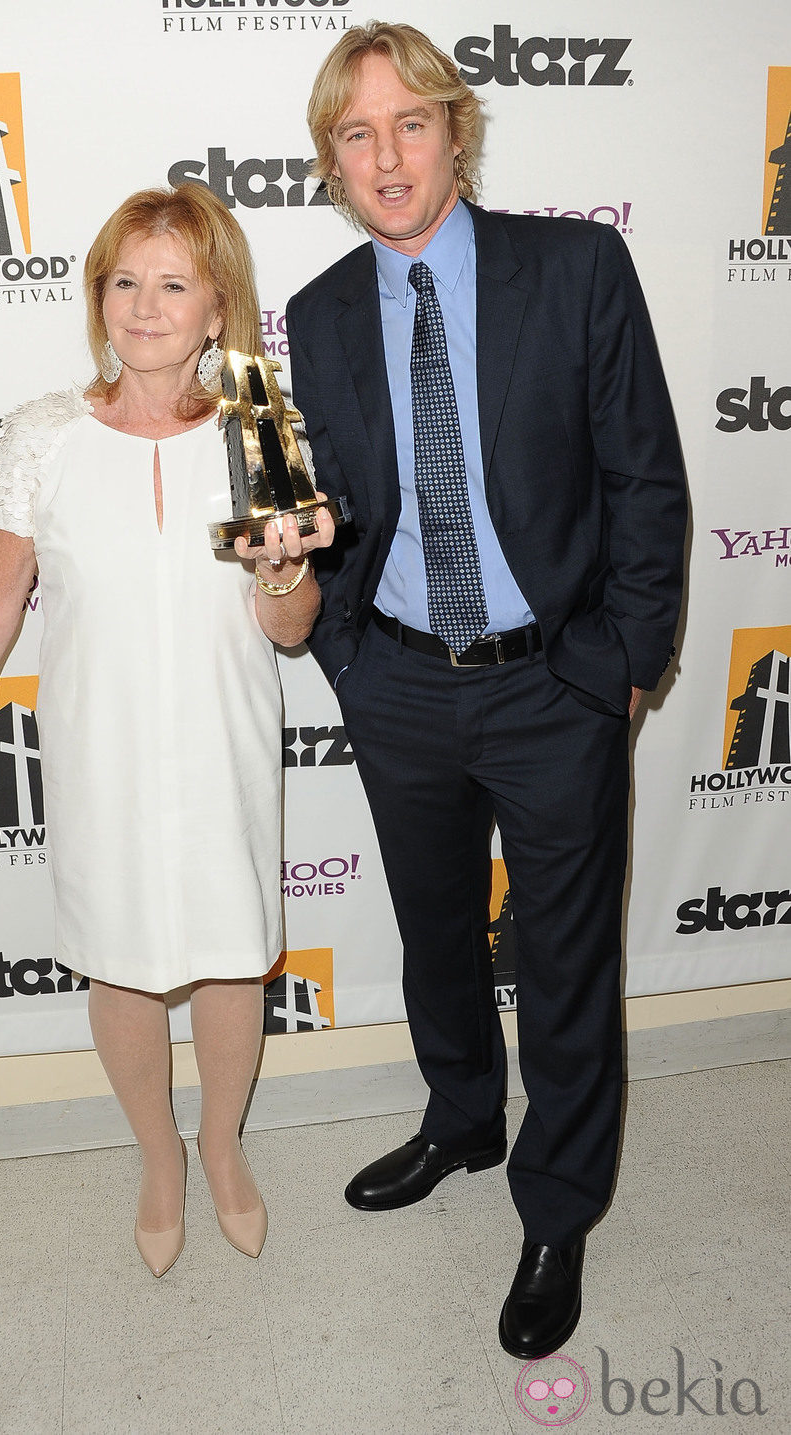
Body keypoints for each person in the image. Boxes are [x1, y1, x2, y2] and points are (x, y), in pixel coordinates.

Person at [287, 22, 687, 1358]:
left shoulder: (575, 267)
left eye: (410, 123)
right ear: (333, 162)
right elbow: (334, 511)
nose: (387, 155)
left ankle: (559, 1201)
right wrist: (343, 651)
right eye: (358, 133)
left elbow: (645, 476)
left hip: (556, 683)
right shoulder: (322, 311)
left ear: (458, 131)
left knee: (566, 958)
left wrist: (625, 662)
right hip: (398, 677)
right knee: (435, 929)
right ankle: (463, 1116)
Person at [0, 183, 335, 1278]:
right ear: (99, 297)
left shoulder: (260, 426)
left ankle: (223, 1147)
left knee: (233, 959)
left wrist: (281, 565)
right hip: (99, 759)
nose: (144, 306)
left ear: (215, 310)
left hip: (223, 747)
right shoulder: (44, 435)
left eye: (173, 284)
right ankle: (158, 1159)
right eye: (124, 281)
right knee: (122, 969)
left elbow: (290, 628)